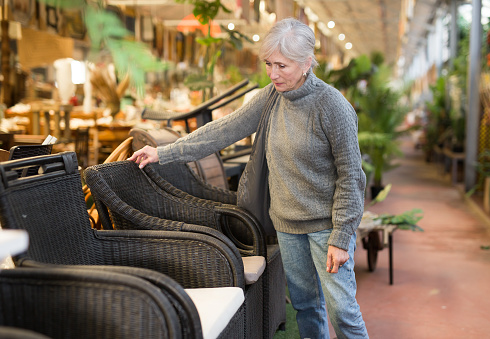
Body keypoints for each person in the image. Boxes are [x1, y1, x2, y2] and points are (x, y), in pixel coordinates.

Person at [129, 17, 368, 339]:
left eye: (282, 66)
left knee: (343, 311)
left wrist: (341, 237)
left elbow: (352, 176)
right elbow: (223, 130)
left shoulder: (332, 106)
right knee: (306, 305)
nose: (273, 74)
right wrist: (163, 151)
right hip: (286, 224)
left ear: (307, 62)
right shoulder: (270, 97)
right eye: (269, 64)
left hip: (327, 226)